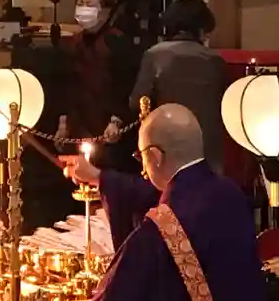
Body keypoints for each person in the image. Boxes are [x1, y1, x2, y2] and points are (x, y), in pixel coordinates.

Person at [61, 104, 266, 301]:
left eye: (141, 157)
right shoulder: (231, 193)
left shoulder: (160, 231)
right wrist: (100, 177)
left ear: (155, 156)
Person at [129, 0, 227, 174]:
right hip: (208, 150)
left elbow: (137, 101)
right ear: (200, 29)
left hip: (166, 149)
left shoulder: (155, 55)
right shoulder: (215, 60)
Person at [56, 0, 143, 173]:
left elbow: (126, 83)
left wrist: (117, 120)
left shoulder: (116, 41)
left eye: (90, 4)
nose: (84, 8)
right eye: (80, 4)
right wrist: (63, 124)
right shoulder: (73, 43)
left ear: (103, 12)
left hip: (108, 126)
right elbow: (67, 85)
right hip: (80, 124)